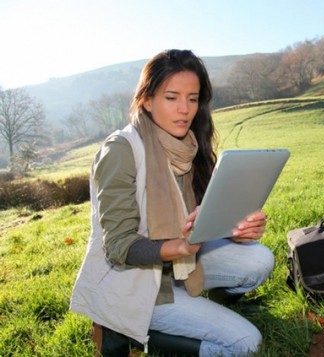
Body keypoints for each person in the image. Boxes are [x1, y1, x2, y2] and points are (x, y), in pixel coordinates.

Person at [70, 49, 275, 356]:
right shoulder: (122, 150)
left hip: (183, 266)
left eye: (192, 98)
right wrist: (178, 247)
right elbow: (119, 246)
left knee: (259, 259)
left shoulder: (190, 146)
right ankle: (131, 332)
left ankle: (204, 308)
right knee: (246, 344)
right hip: (137, 284)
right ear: (147, 100)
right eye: (172, 97)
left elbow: (201, 221)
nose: (184, 109)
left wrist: (235, 229)